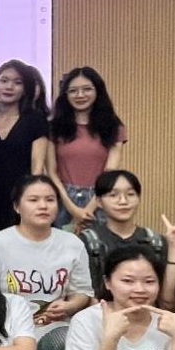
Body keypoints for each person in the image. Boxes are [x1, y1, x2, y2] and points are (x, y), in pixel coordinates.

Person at [0, 175, 94, 350]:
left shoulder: (72, 244)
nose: (43, 206)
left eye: (50, 200)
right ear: (17, 206)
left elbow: (83, 293)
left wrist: (69, 306)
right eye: (34, 200)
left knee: (62, 340)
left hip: (55, 326)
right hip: (10, 327)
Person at [47, 67, 127, 230]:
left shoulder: (113, 126)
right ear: (65, 95)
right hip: (62, 198)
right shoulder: (53, 127)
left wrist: (90, 207)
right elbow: (51, 171)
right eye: (73, 91)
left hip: (101, 197)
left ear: (98, 90)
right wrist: (71, 207)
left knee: (99, 245)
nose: (80, 95)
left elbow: (109, 172)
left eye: (87, 89)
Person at [0, 61, 49, 236]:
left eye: (17, 82)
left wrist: (32, 199)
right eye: (4, 80)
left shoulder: (35, 120)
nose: (9, 87)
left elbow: (37, 167)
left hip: (22, 198)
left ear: (25, 89)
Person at [78, 170, 169, 299]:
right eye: (113, 195)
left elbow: (167, 297)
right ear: (98, 201)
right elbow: (82, 292)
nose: (123, 201)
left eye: (130, 194)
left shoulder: (156, 242)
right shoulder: (87, 241)